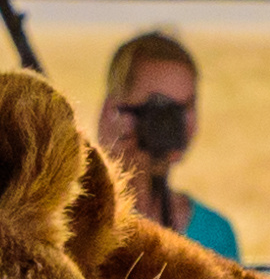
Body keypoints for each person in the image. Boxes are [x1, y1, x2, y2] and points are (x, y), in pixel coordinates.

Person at [92, 28, 239, 258]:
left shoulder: (215, 235)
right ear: (116, 111)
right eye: (163, 109)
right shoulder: (84, 227)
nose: (180, 124)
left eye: (187, 107)